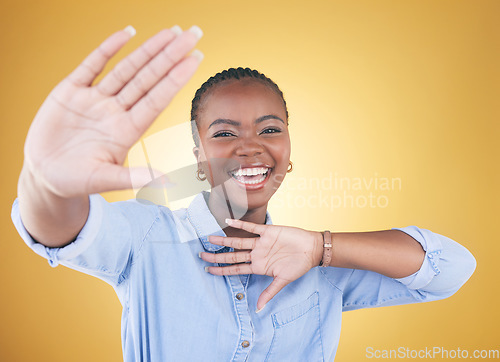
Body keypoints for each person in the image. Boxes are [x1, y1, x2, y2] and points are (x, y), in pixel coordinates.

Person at [11, 24, 476, 361]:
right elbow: (60, 229)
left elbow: (452, 268)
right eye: (224, 133)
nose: (250, 148)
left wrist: (320, 247)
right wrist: (47, 181)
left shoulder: (324, 268)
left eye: (269, 129)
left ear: (288, 145)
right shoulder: (149, 235)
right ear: (197, 154)